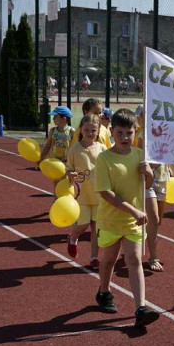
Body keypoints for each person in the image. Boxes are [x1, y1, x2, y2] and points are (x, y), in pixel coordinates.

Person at [93, 108, 157, 330]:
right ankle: (103, 291)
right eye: (119, 133)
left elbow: (147, 185)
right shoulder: (104, 158)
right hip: (112, 220)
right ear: (111, 132)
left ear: (135, 131)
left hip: (133, 222)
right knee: (109, 260)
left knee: (134, 260)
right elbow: (106, 193)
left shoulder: (140, 155)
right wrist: (133, 211)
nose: (125, 137)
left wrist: (148, 174)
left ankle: (141, 308)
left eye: (129, 133)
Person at [66, 114, 105, 268]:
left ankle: (94, 257)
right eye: (87, 129)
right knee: (83, 224)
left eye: (93, 130)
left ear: (98, 130)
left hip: (99, 195)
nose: (90, 133)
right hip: (82, 195)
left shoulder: (102, 149)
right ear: (81, 129)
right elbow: (68, 168)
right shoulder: (74, 149)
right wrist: (70, 174)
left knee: (96, 227)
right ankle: (73, 237)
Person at [144, 162, 174, 272]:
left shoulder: (167, 144)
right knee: (154, 219)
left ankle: (136, 241)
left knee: (157, 221)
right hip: (145, 182)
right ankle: (153, 258)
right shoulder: (143, 143)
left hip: (162, 182)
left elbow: (172, 162)